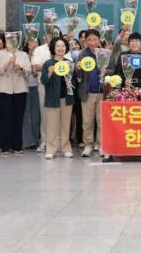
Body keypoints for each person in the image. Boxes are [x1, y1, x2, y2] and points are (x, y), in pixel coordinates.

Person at [0, 33, 32, 155]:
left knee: (18, 118)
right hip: (4, 89)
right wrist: (8, 62)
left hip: (20, 89)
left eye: (14, 40)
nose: (12, 42)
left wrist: (20, 68)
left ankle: (17, 145)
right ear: (5, 41)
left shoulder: (23, 54)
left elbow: (29, 70)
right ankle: (5, 146)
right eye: (9, 40)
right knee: (5, 118)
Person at [40, 37, 75, 159]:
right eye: (58, 46)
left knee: (66, 125)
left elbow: (74, 80)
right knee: (51, 125)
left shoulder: (69, 63)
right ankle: (51, 149)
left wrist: (71, 82)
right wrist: (50, 73)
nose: (61, 48)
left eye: (63, 46)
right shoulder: (48, 63)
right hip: (52, 98)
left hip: (67, 98)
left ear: (66, 48)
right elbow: (43, 81)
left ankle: (66, 148)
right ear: (53, 48)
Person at [76, 29, 104, 158]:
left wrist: (106, 71)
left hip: (102, 92)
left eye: (95, 39)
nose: (92, 42)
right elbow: (78, 75)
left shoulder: (104, 53)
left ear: (99, 40)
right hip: (87, 93)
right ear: (85, 41)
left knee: (101, 121)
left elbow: (112, 69)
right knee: (87, 122)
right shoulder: (82, 54)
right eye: (89, 40)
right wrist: (78, 68)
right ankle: (88, 145)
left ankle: (101, 144)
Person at [31, 26, 58, 152]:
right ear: (45, 36)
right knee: (45, 113)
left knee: (58, 114)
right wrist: (52, 67)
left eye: (54, 34)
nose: (51, 36)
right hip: (44, 84)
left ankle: (57, 141)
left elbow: (68, 66)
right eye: (49, 34)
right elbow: (36, 67)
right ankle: (44, 140)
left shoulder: (62, 47)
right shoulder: (39, 49)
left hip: (59, 85)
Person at [22, 37, 41, 149]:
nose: (33, 43)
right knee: (26, 116)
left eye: (35, 41)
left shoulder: (40, 56)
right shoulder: (23, 55)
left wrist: (36, 71)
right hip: (24, 88)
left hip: (37, 88)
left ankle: (36, 140)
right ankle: (28, 141)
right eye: (30, 41)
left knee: (36, 115)